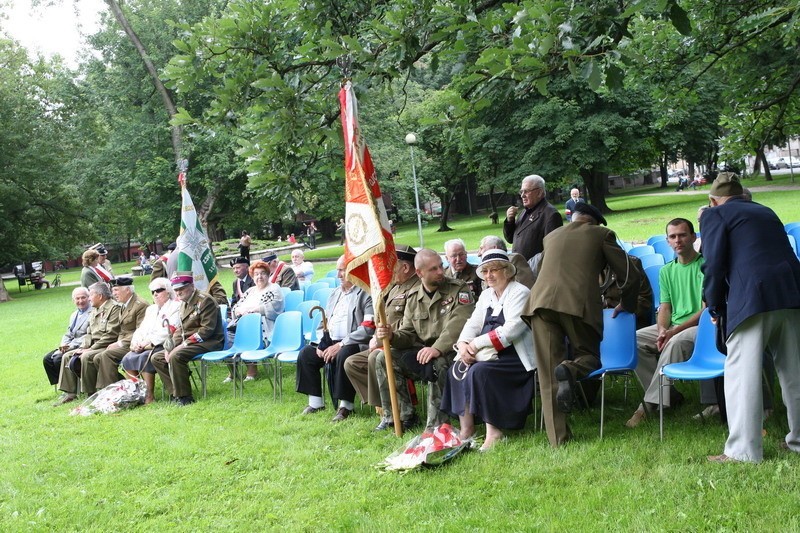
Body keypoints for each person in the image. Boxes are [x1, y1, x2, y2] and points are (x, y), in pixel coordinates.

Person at [522, 202, 639, 447]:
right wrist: (628, 304)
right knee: (590, 357)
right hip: (577, 304)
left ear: (573, 218)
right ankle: (571, 370)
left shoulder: (551, 236)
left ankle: (558, 439)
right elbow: (628, 274)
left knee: (546, 375)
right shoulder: (602, 234)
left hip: (539, 305)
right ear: (593, 221)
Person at [702, 174, 800, 463]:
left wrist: (716, 306)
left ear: (712, 199)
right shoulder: (765, 211)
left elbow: (714, 265)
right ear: (743, 196)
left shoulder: (714, 215)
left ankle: (743, 452)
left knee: (741, 375)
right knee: (794, 373)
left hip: (753, 298)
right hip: (792, 292)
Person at [442, 249, 536, 451]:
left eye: (494, 270)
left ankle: (494, 432)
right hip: (489, 353)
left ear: (508, 271)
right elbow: (472, 323)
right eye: (485, 271)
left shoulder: (521, 292)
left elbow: (511, 331)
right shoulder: (486, 295)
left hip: (515, 358)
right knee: (456, 370)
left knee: (479, 372)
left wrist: (475, 345)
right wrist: (464, 344)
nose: (488, 275)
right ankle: (467, 430)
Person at [375, 249, 475, 430]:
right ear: (420, 273)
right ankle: (401, 416)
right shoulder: (413, 298)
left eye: (441, 266)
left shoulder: (459, 288)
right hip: (424, 352)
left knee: (437, 365)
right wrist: (392, 336)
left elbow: (459, 324)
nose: (440, 272)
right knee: (383, 357)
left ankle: (435, 428)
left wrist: (436, 348)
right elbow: (408, 333)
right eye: (433, 269)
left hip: (453, 351)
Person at [625, 217, 706, 428]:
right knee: (632, 340)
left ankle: (647, 406)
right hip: (672, 326)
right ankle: (670, 394)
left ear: (693, 237)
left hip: (700, 327)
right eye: (673, 236)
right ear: (668, 241)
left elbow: (705, 309)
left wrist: (674, 331)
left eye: (682, 235)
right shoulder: (666, 271)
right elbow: (665, 307)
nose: (678, 240)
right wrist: (662, 329)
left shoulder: (705, 266)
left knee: (674, 343)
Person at [343, 245, 421, 430]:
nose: (389, 270)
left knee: (375, 357)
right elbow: (382, 316)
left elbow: (409, 327)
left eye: (393, 265)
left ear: (405, 267)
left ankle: (396, 414)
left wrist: (383, 338)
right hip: (387, 340)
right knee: (352, 363)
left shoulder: (416, 288)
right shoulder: (394, 287)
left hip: (407, 343)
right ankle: (386, 406)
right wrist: (377, 335)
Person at [295, 256, 374, 421]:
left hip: (353, 343)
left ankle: (346, 406)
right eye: (338, 270)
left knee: (345, 353)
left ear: (355, 270)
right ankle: (316, 402)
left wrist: (341, 344)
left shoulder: (366, 294)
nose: (338, 275)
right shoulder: (334, 294)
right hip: (331, 341)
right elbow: (323, 323)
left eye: (342, 270)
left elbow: (367, 329)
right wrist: (321, 343)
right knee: (306, 354)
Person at [151, 273, 224, 406]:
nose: (178, 292)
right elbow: (181, 329)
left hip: (210, 341)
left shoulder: (204, 300)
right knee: (157, 357)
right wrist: (170, 347)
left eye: (181, 289)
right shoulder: (184, 303)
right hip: (191, 342)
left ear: (191, 286)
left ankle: (185, 397)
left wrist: (182, 345)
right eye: (176, 289)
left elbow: (206, 330)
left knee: (177, 356)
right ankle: (175, 393)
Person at [54, 282, 121, 405]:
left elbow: (111, 335)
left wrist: (90, 349)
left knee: (86, 356)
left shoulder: (113, 308)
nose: (89, 299)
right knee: (68, 355)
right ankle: (70, 392)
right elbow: (89, 333)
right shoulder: (95, 309)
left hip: (107, 345)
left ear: (100, 296)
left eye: (90, 295)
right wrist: (83, 346)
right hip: (94, 345)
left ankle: (91, 393)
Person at [120, 278, 181, 404]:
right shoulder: (151, 309)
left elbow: (168, 331)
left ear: (168, 291)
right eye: (153, 292)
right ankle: (136, 395)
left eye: (159, 290)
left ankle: (149, 396)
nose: (155, 294)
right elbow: (141, 329)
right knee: (127, 358)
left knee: (144, 358)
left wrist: (148, 342)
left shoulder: (176, 306)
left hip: (163, 344)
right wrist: (135, 343)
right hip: (144, 344)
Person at [85, 277, 148, 396]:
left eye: (117, 290)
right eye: (113, 291)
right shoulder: (124, 304)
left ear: (128, 290)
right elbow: (122, 330)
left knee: (106, 355)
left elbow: (141, 331)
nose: (114, 294)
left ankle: (110, 393)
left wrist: (119, 343)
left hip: (135, 344)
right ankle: (117, 386)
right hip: (124, 342)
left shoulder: (140, 305)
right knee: (97, 357)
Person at [226, 260, 284, 382]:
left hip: (265, 326)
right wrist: (240, 311)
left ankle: (252, 371)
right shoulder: (250, 291)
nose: (260, 276)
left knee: (247, 333)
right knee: (228, 336)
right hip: (245, 323)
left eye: (263, 273)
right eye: (256, 274)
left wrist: (252, 310)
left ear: (268, 275)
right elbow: (236, 307)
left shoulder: (274, 288)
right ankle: (233, 372)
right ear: (252, 276)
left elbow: (275, 307)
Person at [503, 174, 563, 260]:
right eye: (521, 191)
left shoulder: (551, 215)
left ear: (539, 192)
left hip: (535, 271)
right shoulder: (523, 212)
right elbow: (510, 239)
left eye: (526, 191)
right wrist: (510, 220)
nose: (522, 195)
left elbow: (552, 251)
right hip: (520, 269)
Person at [43, 288, 91, 387]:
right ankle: (60, 384)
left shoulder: (93, 313)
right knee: (47, 359)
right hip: (70, 344)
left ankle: (69, 387)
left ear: (89, 298)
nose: (80, 301)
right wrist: (63, 344)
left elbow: (89, 335)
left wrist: (70, 346)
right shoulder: (74, 315)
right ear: (73, 300)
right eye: (77, 298)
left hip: (82, 345)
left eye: (83, 298)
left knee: (57, 359)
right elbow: (68, 333)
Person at [600, 255, 653, 330]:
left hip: (627, 319)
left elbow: (645, 299)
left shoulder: (631, 264)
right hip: (602, 320)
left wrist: (627, 308)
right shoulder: (589, 267)